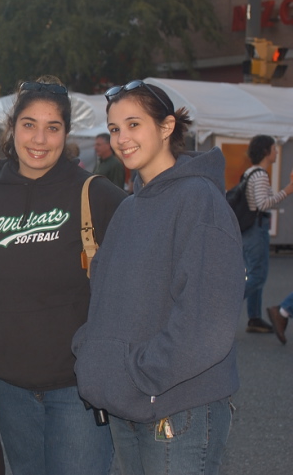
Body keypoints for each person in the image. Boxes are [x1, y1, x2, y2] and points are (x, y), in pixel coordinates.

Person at [73, 80, 244, 475]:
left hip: (178, 411)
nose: (121, 139)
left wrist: (137, 373)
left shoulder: (199, 201)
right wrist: (95, 359)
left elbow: (207, 325)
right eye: (114, 129)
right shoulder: (130, 207)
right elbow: (103, 300)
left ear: (167, 127)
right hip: (129, 405)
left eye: (133, 124)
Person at [0, 77, 126, 475]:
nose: (39, 139)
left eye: (52, 127)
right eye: (29, 124)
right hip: (9, 387)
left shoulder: (95, 194)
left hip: (78, 389)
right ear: (12, 127)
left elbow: (143, 275)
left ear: (66, 133)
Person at [240, 135, 293, 333]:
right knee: (258, 277)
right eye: (274, 148)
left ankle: (254, 318)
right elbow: (263, 204)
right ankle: (221, 310)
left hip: (248, 229)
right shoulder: (261, 174)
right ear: (265, 152)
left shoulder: (250, 172)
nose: (277, 152)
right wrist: (287, 191)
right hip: (256, 228)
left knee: (253, 273)